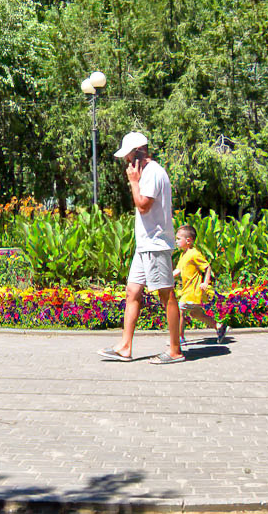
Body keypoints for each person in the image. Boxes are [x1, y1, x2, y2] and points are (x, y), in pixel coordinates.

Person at [97, 132, 185, 364]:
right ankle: (125, 347)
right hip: (145, 245)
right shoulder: (148, 173)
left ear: (137, 153)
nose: (126, 161)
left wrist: (133, 182)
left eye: (127, 156)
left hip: (155, 245)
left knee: (166, 296)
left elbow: (144, 206)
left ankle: (175, 350)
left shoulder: (153, 173)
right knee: (132, 292)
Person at [173, 224, 228, 345]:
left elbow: (207, 266)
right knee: (195, 313)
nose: (176, 241)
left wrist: (205, 282)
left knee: (179, 310)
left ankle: (179, 338)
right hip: (187, 291)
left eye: (178, 239)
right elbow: (178, 271)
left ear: (188, 240)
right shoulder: (183, 255)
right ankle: (219, 326)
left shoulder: (194, 253)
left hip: (192, 291)